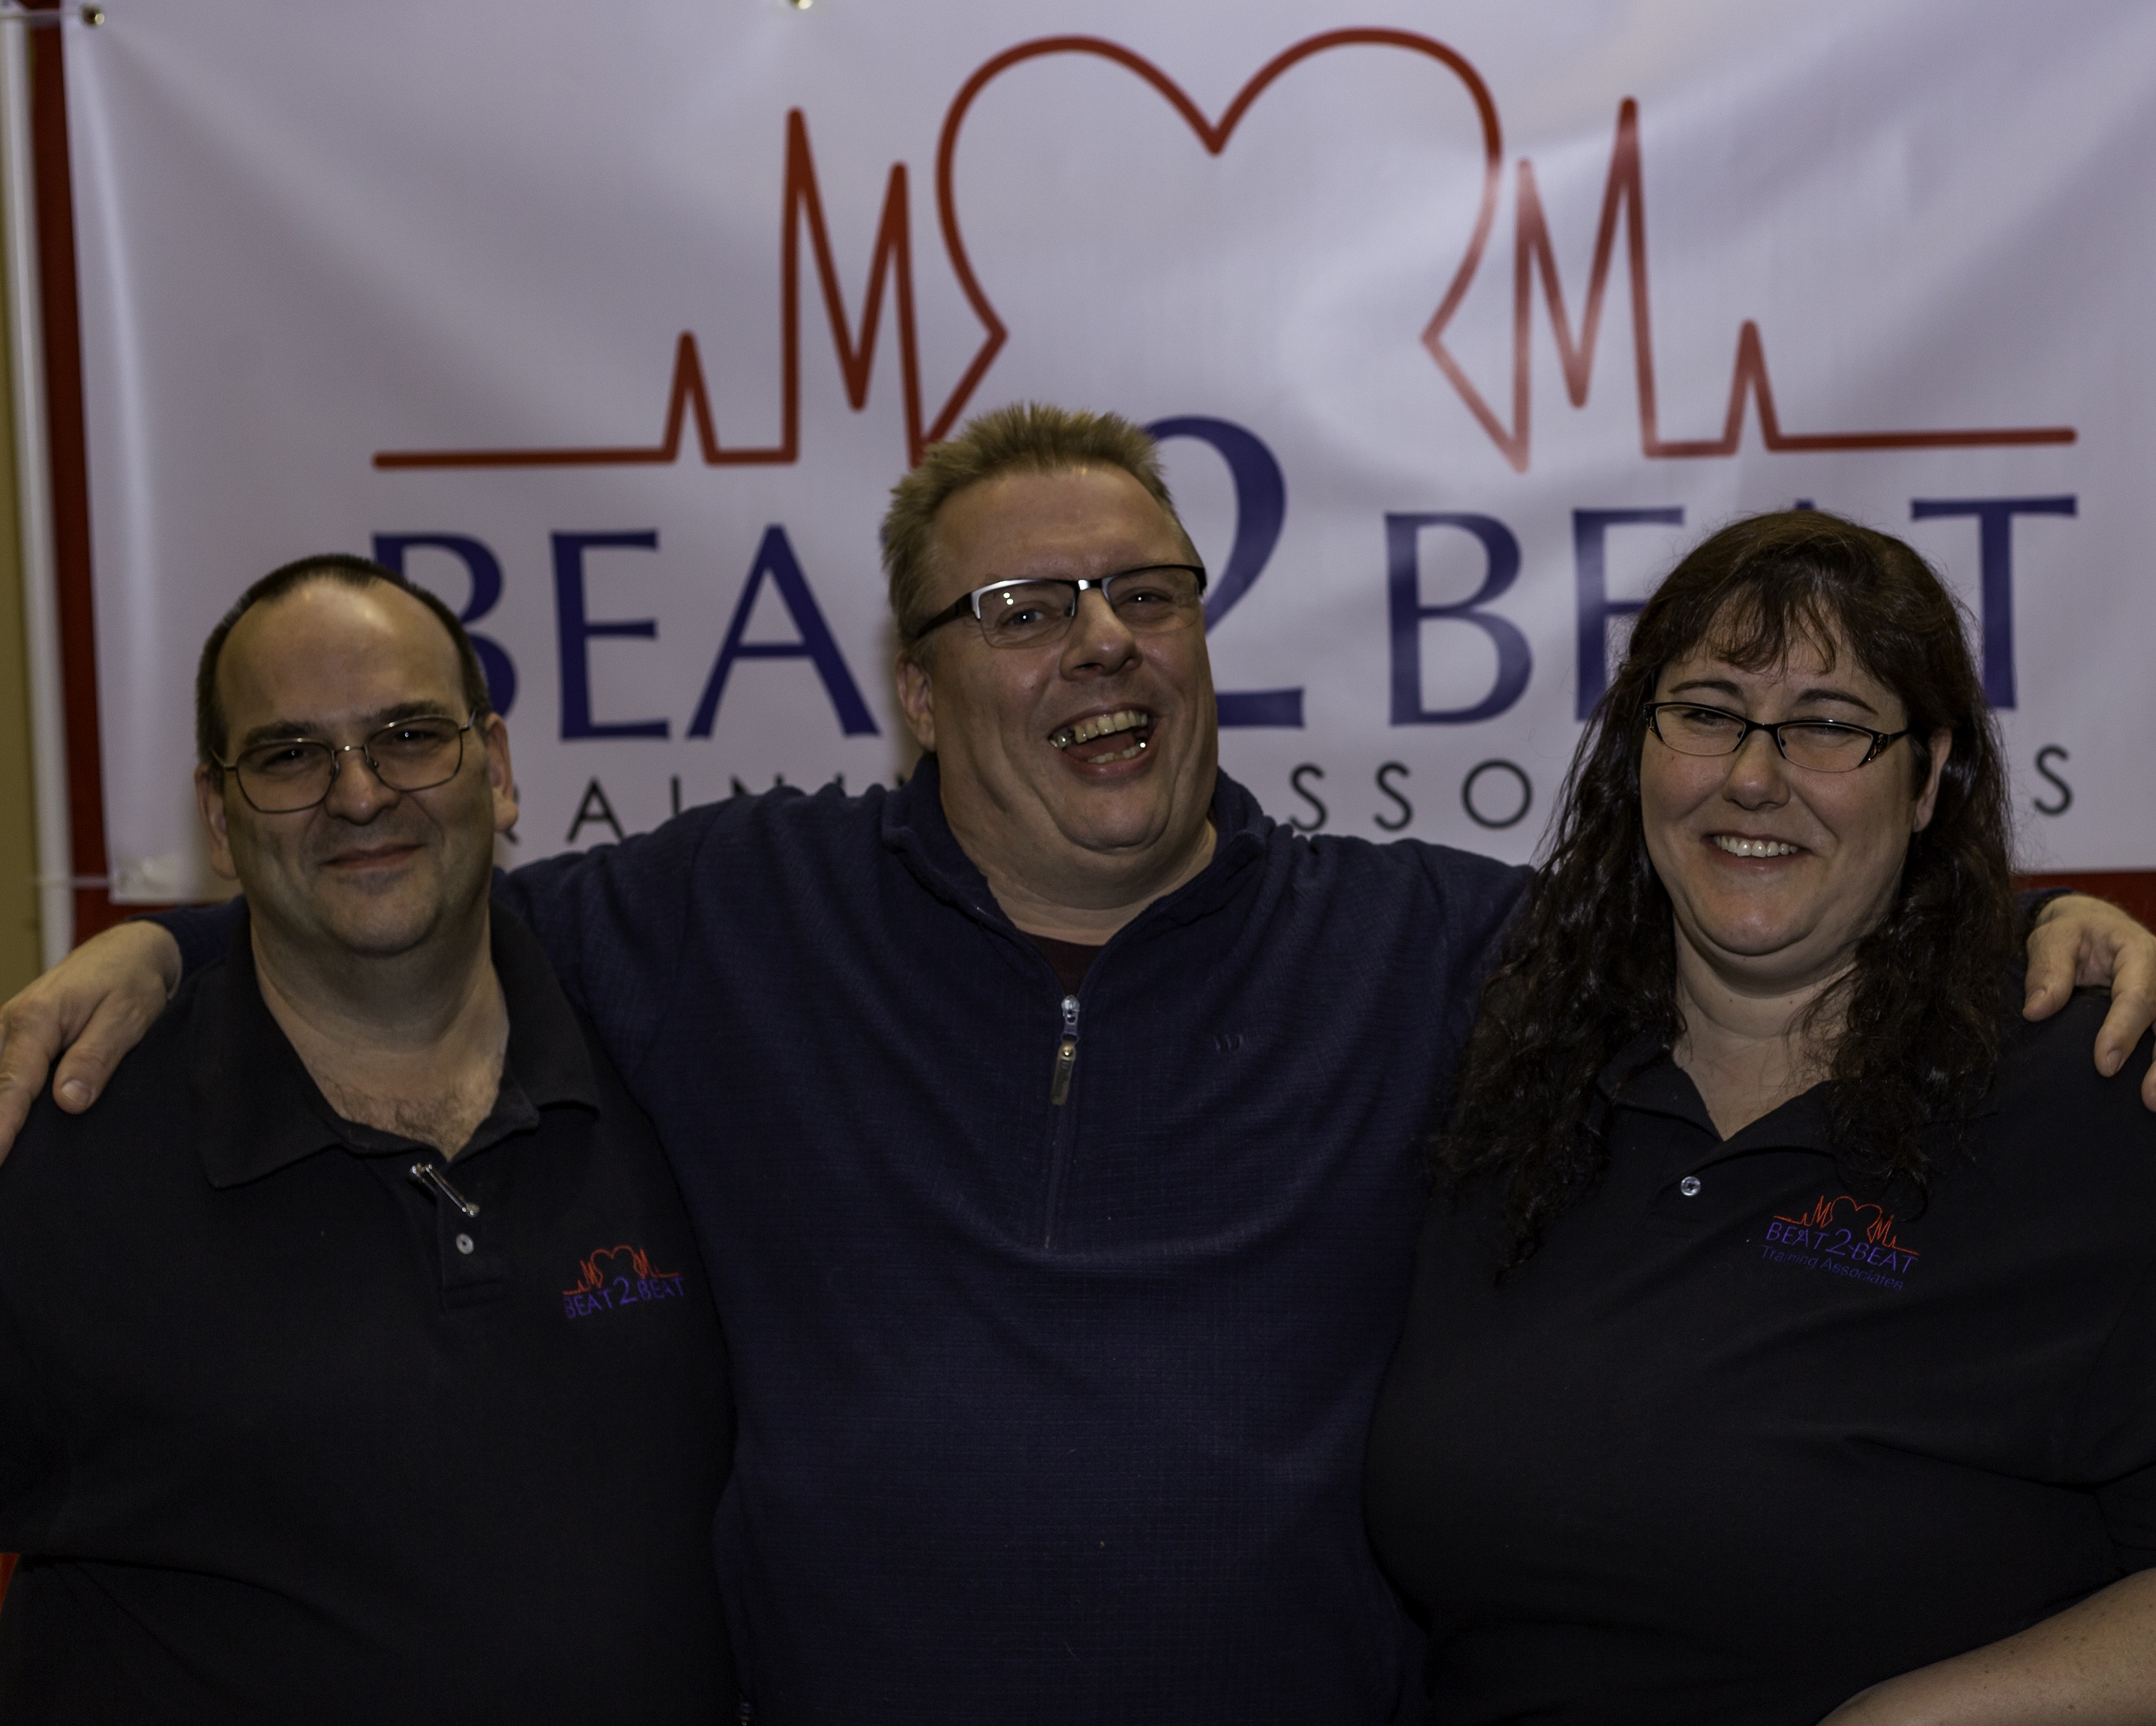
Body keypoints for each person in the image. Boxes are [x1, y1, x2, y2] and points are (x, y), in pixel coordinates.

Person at [1, 413, 2151, 1724]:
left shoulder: (1434, 942)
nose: (1099, 639)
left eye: (1144, 591)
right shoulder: (726, 911)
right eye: (1023, 607)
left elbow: (1760, 892)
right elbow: (397, 884)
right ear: (918, 690)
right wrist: (166, 947)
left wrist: (2041, 932)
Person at [1365, 512, 2156, 1724]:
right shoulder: (1505, 1074)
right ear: (1638, 747)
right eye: (1709, 710)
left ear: (1929, 776)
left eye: (1830, 724)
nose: (1752, 774)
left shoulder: (2092, 1095)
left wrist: (1914, 1719)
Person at [0, 559, 735, 1721]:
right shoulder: (59, 1148)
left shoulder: (675, 1073)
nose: (358, 793)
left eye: (408, 735)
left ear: (496, 768)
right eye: (290, 755)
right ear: (220, 819)